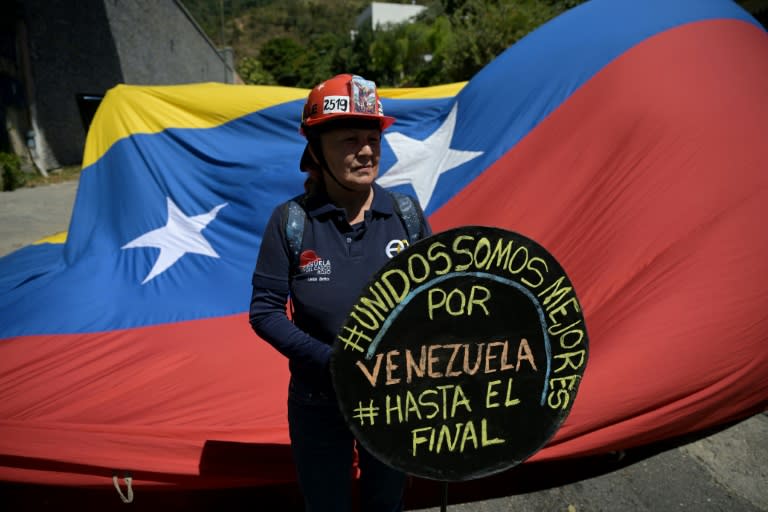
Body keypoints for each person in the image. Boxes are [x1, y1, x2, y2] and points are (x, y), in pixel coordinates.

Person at [249, 74, 431, 512]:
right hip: (317, 401)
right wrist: (332, 363)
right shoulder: (290, 221)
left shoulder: (405, 214)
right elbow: (265, 312)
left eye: (372, 138)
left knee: (386, 505)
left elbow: (434, 300)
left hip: (393, 397)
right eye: (350, 139)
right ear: (315, 149)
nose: (366, 150)